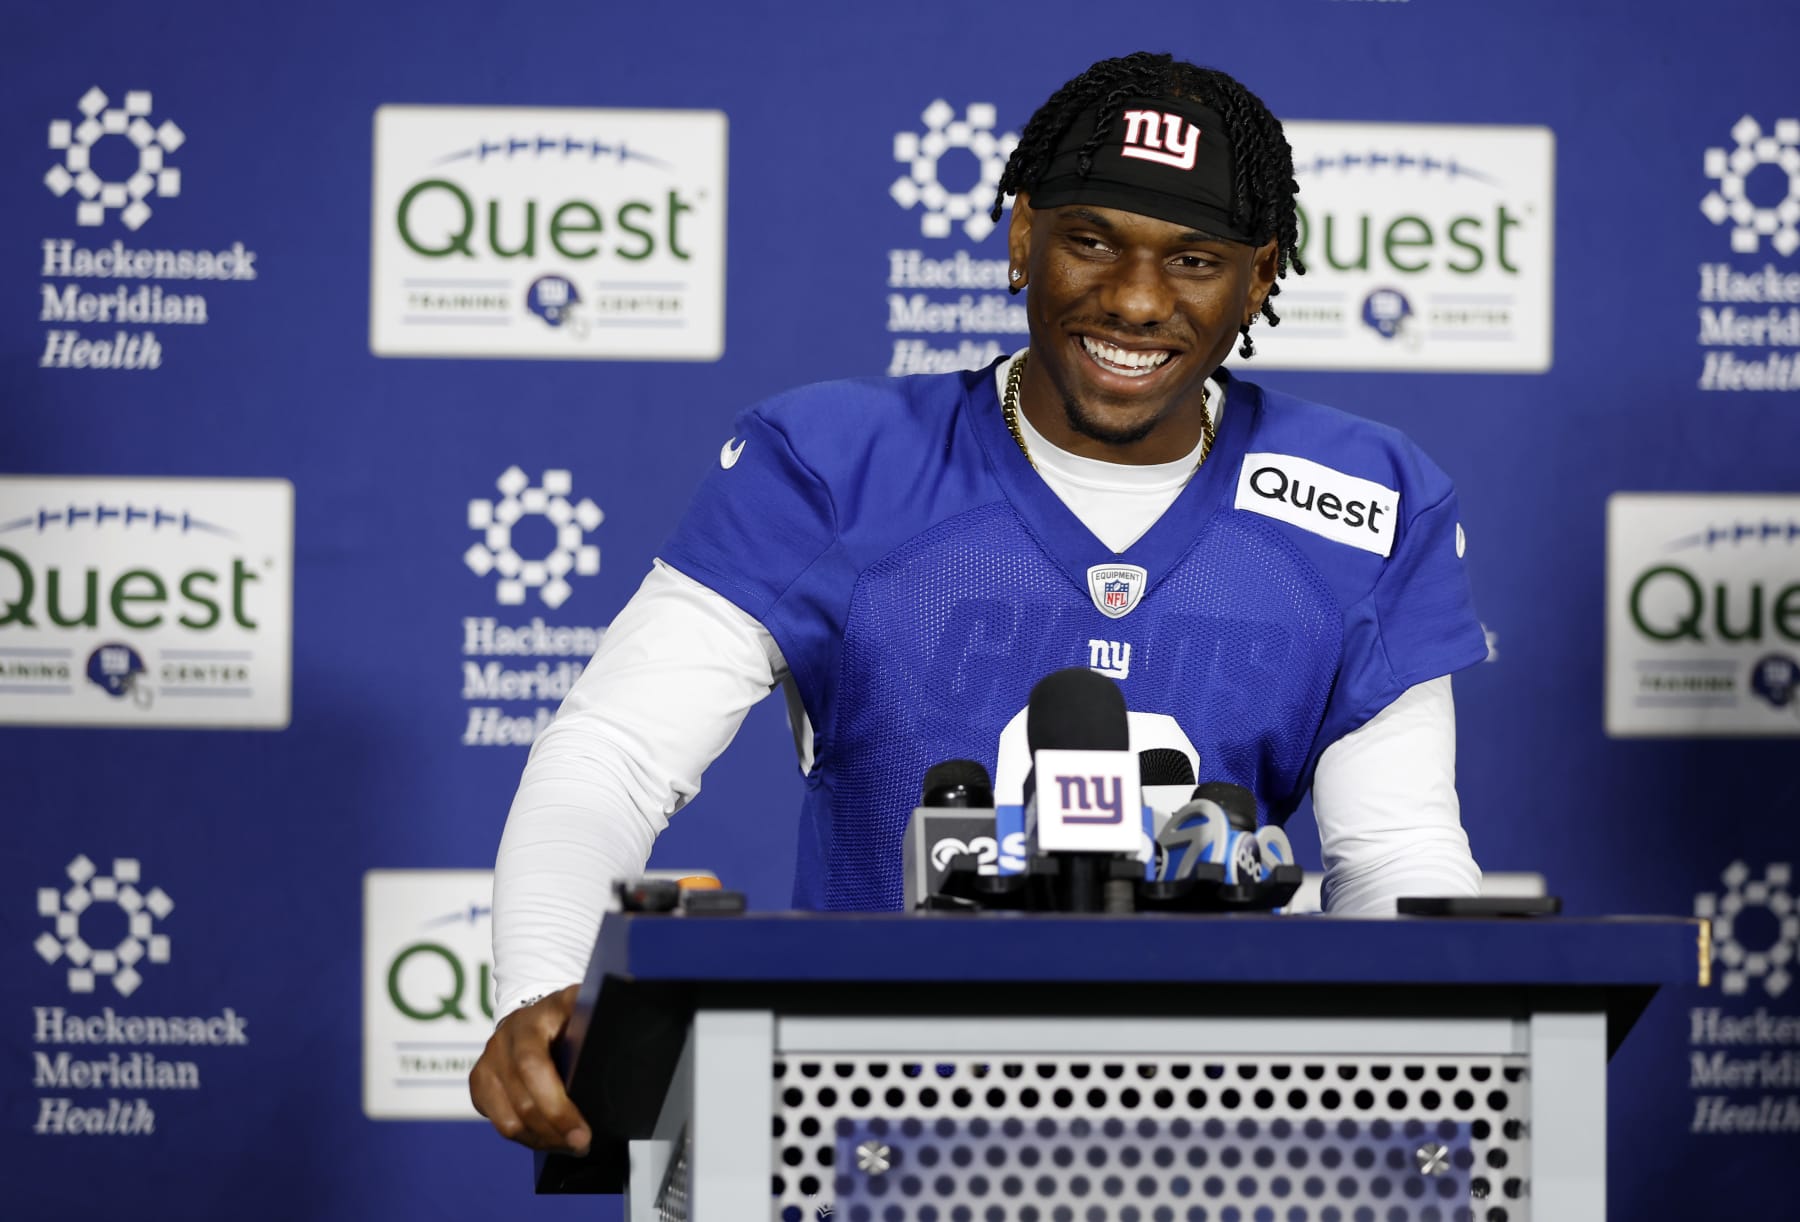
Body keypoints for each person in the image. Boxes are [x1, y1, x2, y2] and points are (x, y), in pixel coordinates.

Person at [470, 51, 1487, 1155]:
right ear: (1021, 238)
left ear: (1260, 279)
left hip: (1213, 1143)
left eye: (1194, 259)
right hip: (855, 1136)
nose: (1137, 300)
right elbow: (613, 750)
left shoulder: (1368, 499)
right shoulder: (833, 463)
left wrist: (1430, 1069)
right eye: (1092, 240)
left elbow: (1394, 854)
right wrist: (549, 983)